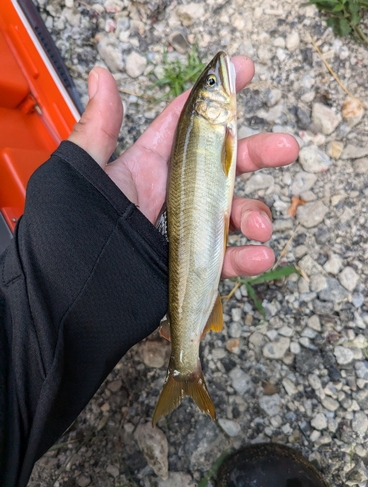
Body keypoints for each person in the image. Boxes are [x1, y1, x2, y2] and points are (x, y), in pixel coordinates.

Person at [0, 55, 322, 487]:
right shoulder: (214, 124)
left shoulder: (211, 124)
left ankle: (185, 364)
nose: (218, 79)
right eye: (211, 84)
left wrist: (49, 291)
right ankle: (184, 367)